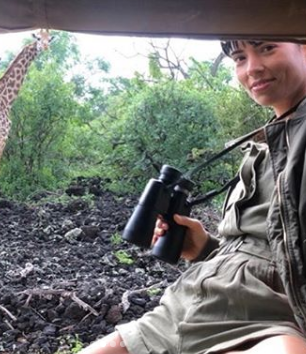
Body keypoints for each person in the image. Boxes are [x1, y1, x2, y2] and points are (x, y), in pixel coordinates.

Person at [79, 41, 306, 354]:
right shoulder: (264, 143)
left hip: (271, 320)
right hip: (192, 306)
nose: (251, 68)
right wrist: (205, 247)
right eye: (240, 57)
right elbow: (258, 245)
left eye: (267, 48)